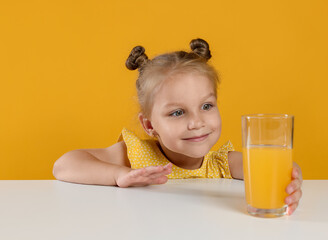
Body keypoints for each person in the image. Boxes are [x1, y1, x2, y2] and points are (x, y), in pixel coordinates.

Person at [53, 38, 303, 215]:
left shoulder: (221, 162)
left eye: (206, 106)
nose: (197, 122)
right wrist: (119, 176)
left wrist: (290, 179)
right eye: (177, 112)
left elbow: (274, 167)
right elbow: (64, 165)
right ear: (150, 125)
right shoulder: (136, 157)